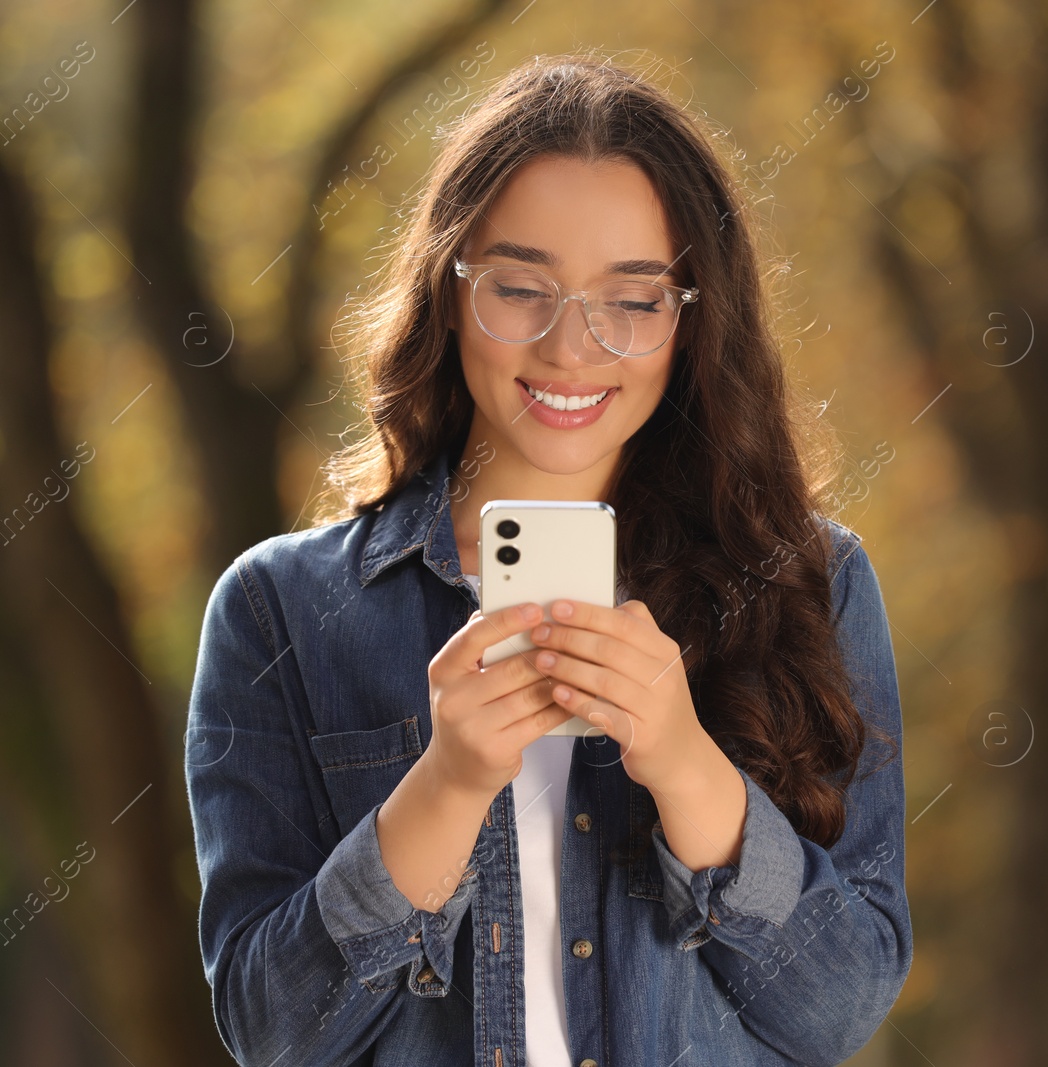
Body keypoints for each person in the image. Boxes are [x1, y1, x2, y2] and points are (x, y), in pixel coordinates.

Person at [184, 52, 912, 1067]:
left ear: (691, 320)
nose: (573, 348)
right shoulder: (279, 608)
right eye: (522, 287)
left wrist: (685, 764)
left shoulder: (809, 583)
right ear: (448, 291)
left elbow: (842, 1006)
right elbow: (271, 1030)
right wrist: (444, 785)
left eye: (633, 298)